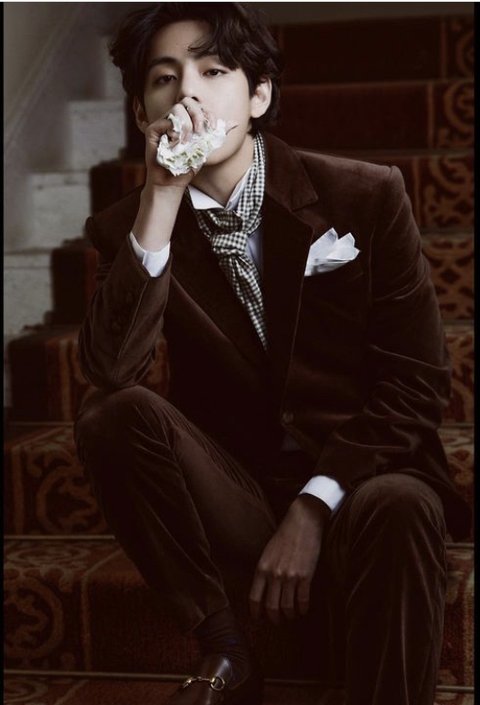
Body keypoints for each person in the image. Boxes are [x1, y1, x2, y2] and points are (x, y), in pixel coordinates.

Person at [74, 4, 470, 704]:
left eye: (213, 71)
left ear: (258, 96)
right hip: (241, 492)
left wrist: (313, 507)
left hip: (363, 478)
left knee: (403, 505)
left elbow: (417, 381)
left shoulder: (365, 195)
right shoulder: (128, 228)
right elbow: (112, 370)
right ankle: (227, 646)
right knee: (110, 413)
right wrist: (161, 196)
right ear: (142, 113)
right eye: (164, 79)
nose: (188, 93)